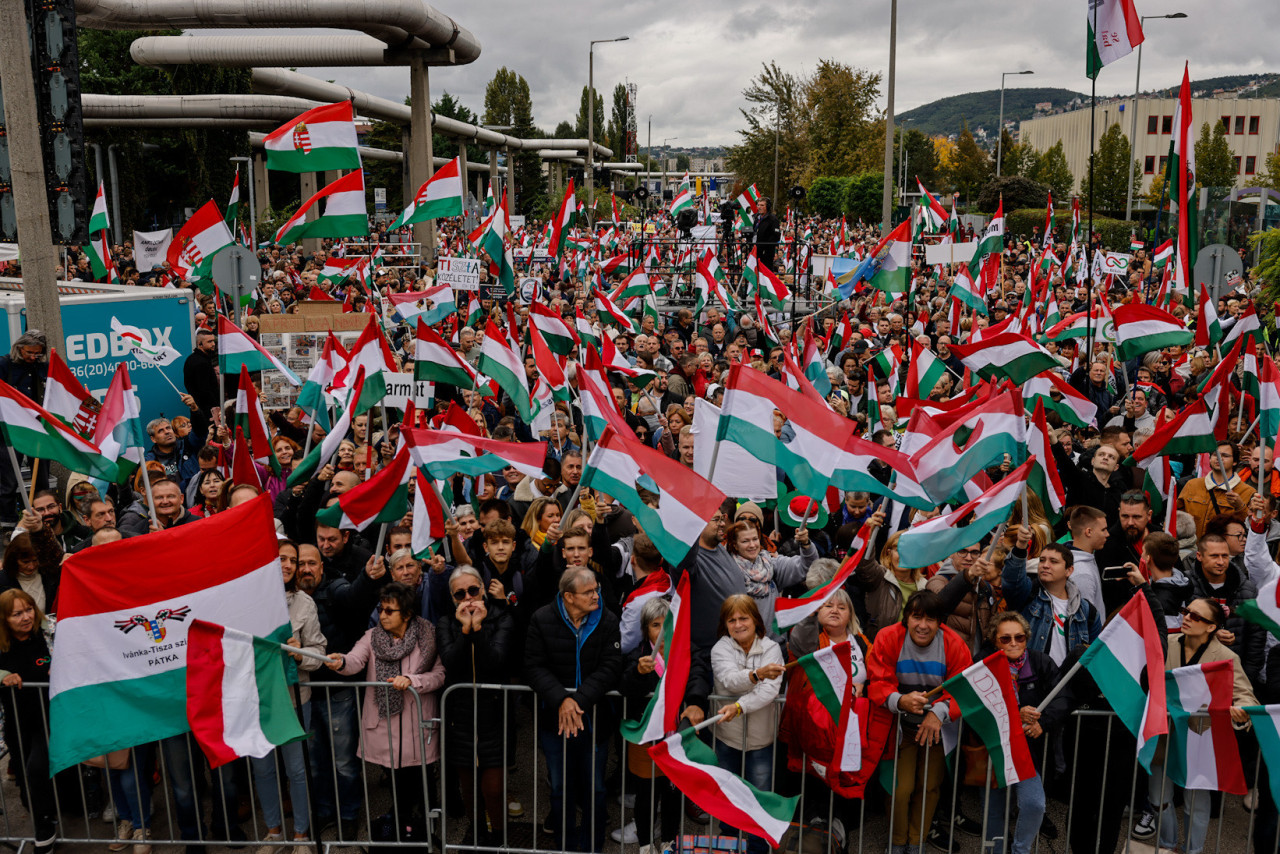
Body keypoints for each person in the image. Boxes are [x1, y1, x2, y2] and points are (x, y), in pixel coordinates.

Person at [326, 581, 445, 833]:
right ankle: (403, 828)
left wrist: (413, 681)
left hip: (417, 723)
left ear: (407, 614)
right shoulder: (371, 637)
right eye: (381, 609)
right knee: (395, 779)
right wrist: (340, 662)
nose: (382, 615)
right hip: (385, 727)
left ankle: (427, 828)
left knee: (421, 779)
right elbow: (355, 660)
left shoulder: (427, 635)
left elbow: (440, 675)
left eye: (389, 611)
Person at [524, 567, 623, 853]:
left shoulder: (607, 619)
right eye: (589, 591)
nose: (596, 595)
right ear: (568, 596)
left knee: (595, 788)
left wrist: (578, 700)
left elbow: (611, 666)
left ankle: (593, 845)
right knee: (560, 788)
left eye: (597, 589)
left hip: (595, 720)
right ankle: (565, 844)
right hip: (555, 720)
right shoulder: (542, 619)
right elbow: (533, 666)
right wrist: (562, 700)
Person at [1146, 598, 1257, 854]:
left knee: (1195, 802)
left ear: (1212, 627)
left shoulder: (1226, 657)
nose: (1186, 617)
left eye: (1196, 616)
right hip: (1163, 736)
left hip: (1200, 739)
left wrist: (1242, 710)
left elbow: (1245, 695)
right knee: (1158, 799)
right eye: (1186, 611)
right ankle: (1167, 845)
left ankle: (1193, 850)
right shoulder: (1166, 645)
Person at [866, 591, 971, 854]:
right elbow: (877, 681)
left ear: (940, 622)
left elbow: (964, 689)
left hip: (937, 729)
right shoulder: (888, 637)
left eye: (931, 619)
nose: (923, 625)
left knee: (930, 787)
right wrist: (899, 700)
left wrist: (939, 713)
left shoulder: (954, 643)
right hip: (900, 727)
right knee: (900, 789)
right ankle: (897, 843)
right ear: (906, 618)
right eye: (917, 617)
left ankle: (917, 842)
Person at [251, 539, 326, 850]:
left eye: (292, 561)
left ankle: (301, 835)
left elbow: (319, 651)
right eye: (281, 558)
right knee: (264, 769)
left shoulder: (305, 604)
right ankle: (273, 832)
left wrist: (300, 654)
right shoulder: (249, 602)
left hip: (296, 700)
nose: (287, 565)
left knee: (297, 769)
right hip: (259, 700)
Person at [437, 566, 516, 847]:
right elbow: (451, 661)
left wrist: (478, 629)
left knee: (493, 789)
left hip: (493, 713)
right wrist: (465, 631)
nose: (468, 598)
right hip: (460, 714)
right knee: (469, 786)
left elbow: (495, 660)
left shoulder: (503, 617)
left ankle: (499, 836)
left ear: (483, 589)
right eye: (460, 594)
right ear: (452, 597)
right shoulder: (447, 622)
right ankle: (477, 833)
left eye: (473, 590)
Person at [981, 612, 1071, 854]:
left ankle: (1020, 850)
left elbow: (1063, 697)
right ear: (994, 640)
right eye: (1005, 638)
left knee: (1034, 804)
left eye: (1019, 637)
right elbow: (977, 707)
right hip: (992, 750)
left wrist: (1044, 722)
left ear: (1027, 638)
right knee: (995, 810)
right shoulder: (982, 664)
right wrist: (1015, 713)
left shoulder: (1041, 662)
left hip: (1026, 752)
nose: (1013, 643)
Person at [711, 595, 786, 854]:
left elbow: (769, 692)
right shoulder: (720, 647)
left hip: (761, 739)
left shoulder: (772, 648)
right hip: (727, 737)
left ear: (756, 619)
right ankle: (728, 847)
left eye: (743, 618)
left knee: (759, 799)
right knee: (729, 798)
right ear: (725, 624)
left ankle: (757, 849)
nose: (738, 624)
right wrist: (757, 674)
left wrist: (740, 706)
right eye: (731, 620)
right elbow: (729, 680)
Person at [0, 589, 56, 853]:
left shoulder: (49, 631)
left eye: (29, 609)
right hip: (17, 721)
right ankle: (45, 812)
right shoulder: (1, 643)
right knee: (26, 781)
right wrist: (2, 674)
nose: (26, 617)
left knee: (38, 768)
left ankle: (45, 829)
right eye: (16, 614)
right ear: (4, 620)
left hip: (50, 718)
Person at [1001, 530, 1102, 666]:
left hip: (1067, 684)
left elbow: (1094, 657)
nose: (1045, 565)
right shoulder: (1028, 595)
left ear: (1069, 570)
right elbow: (1011, 580)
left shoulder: (1087, 612)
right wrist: (1020, 546)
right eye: (1042, 560)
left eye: (1053, 562)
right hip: (1031, 680)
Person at [724, 518, 818, 642]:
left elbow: (808, 566)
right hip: (744, 650)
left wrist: (806, 544)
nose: (752, 545)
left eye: (755, 539)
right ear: (735, 545)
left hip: (777, 647)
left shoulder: (771, 564)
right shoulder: (728, 572)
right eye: (745, 541)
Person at [0, 331, 50, 527]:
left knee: (42, 481)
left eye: (37, 354)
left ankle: (42, 519)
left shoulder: (44, 366)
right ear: (19, 348)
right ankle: (8, 523)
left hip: (38, 430)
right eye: (29, 352)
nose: (32, 357)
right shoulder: (4, 365)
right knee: (9, 481)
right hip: (10, 432)